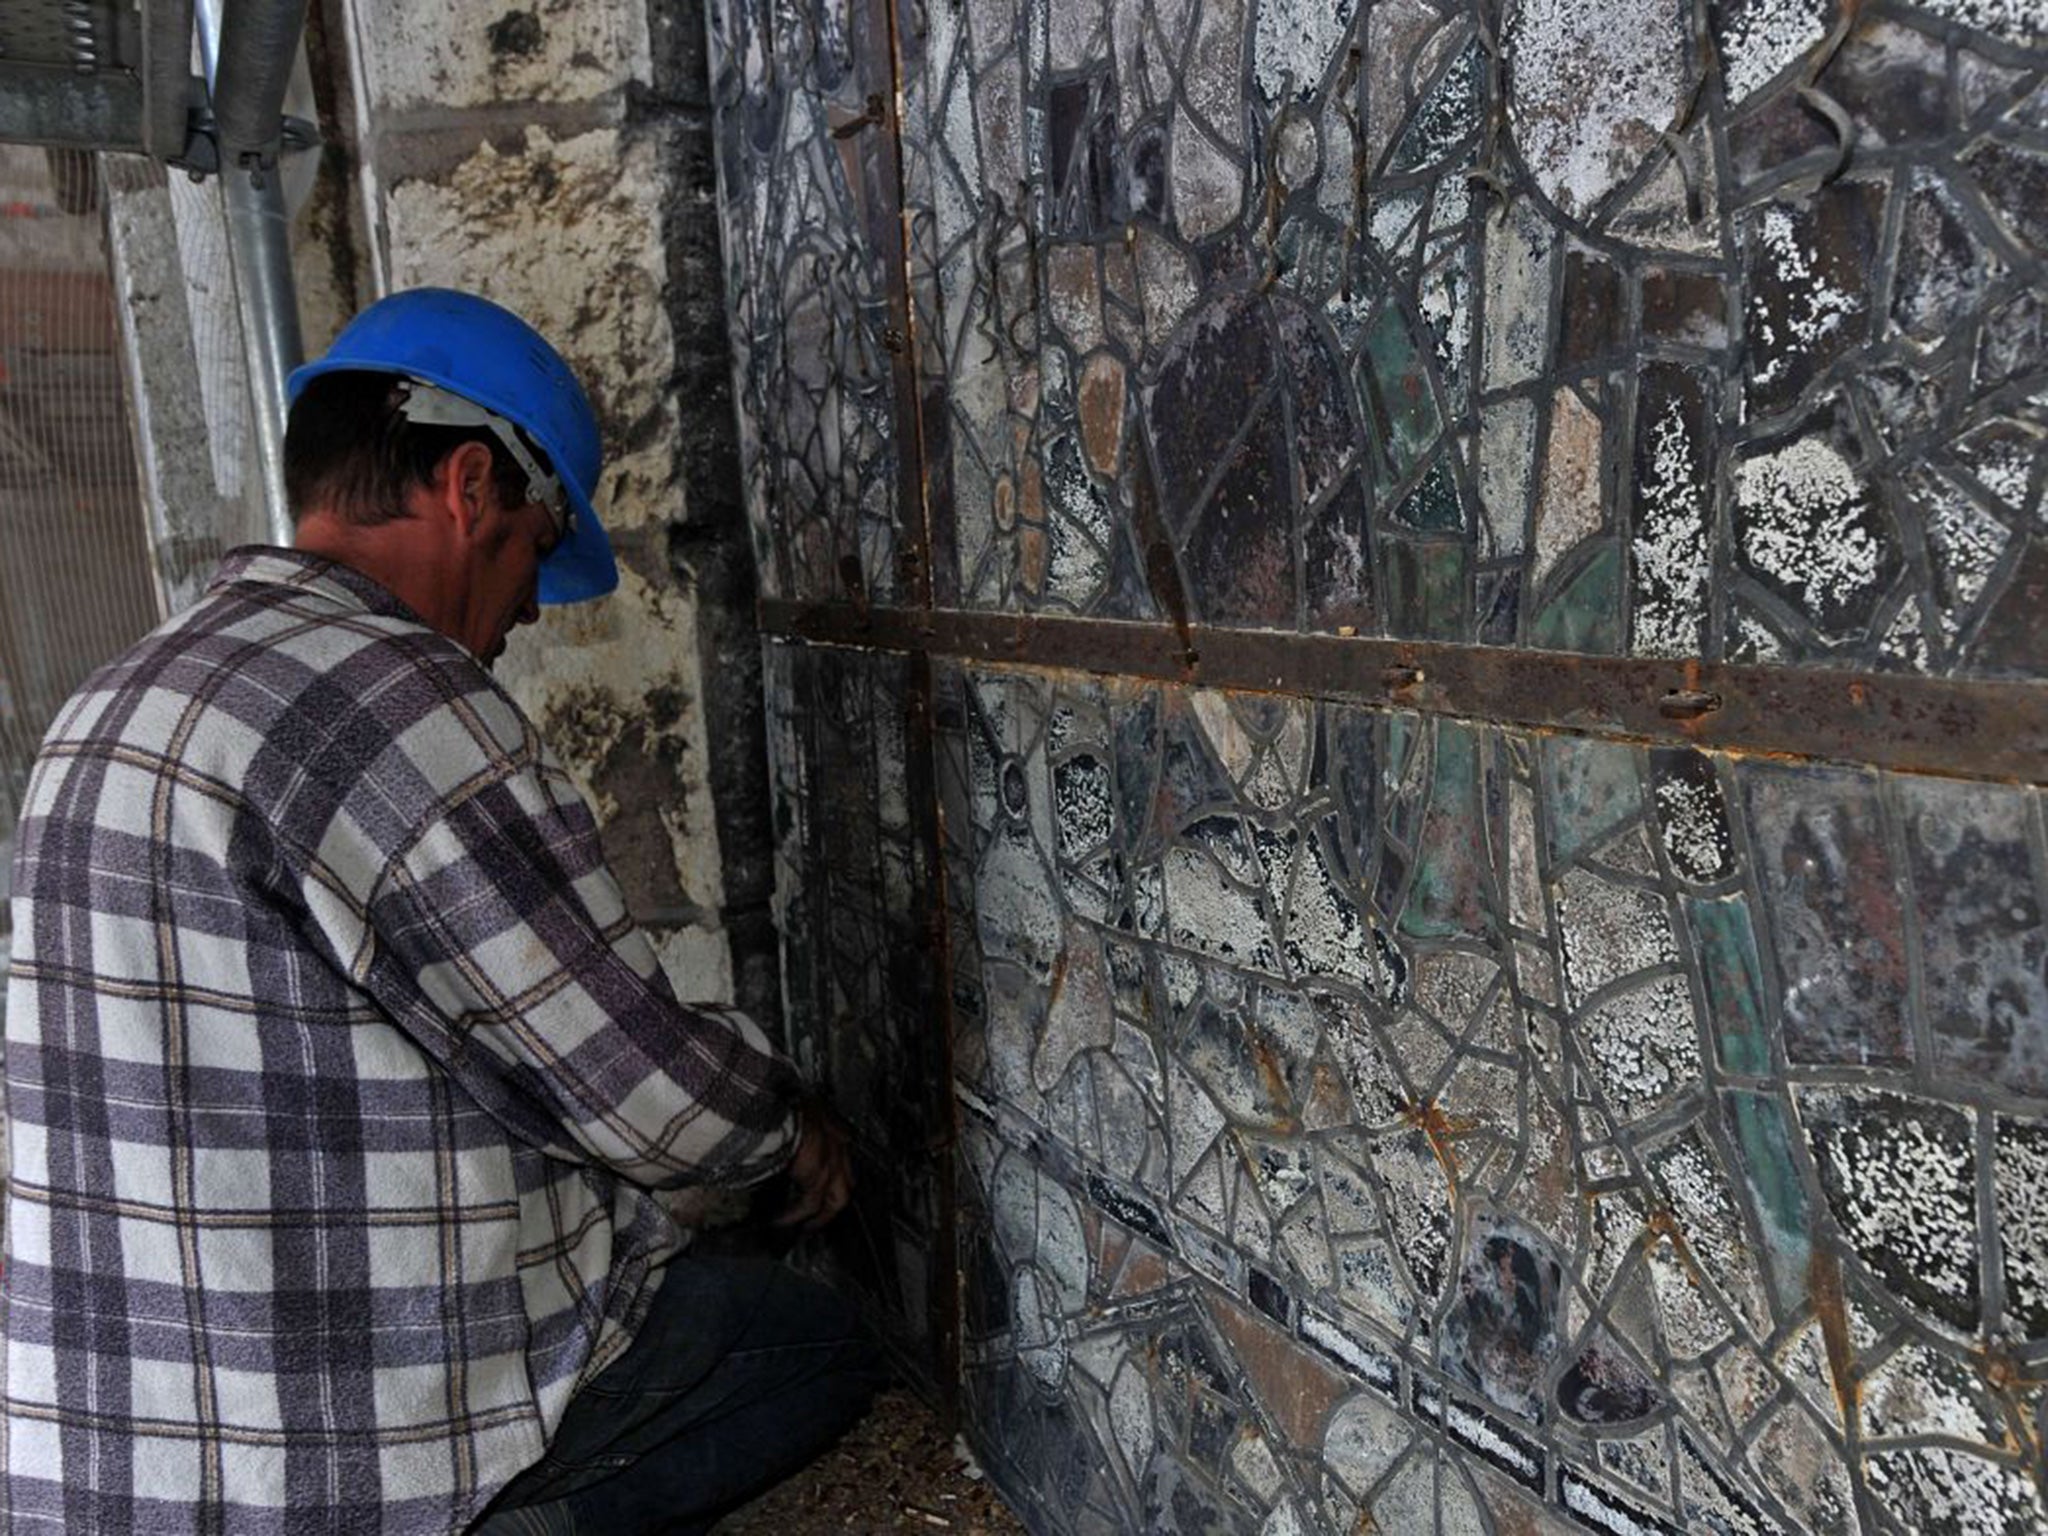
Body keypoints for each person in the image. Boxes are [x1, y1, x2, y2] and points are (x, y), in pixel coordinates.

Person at [1, 288, 884, 1535]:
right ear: (468, 487)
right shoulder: (400, 703)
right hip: (322, 1453)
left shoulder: (115, 699)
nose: (524, 612)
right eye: (532, 546)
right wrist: (786, 1131)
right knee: (801, 1346)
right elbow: (647, 1100)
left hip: (101, 1458)